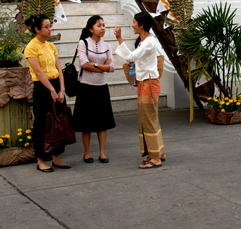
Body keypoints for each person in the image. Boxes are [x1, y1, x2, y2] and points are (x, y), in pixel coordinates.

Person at [113, 12, 166, 169]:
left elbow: (129, 56)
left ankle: (155, 158)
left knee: (148, 120)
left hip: (148, 84)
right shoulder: (144, 41)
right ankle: (158, 153)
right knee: (150, 119)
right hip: (146, 83)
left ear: (141, 25)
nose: (132, 25)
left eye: (134, 22)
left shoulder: (148, 42)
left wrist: (119, 38)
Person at [24, 14, 70, 172]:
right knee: (42, 124)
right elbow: (38, 72)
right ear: (37, 29)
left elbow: (59, 69)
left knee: (59, 121)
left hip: (56, 85)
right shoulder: (31, 47)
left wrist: (62, 89)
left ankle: (57, 157)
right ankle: (41, 159)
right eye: (46, 27)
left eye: (50, 26)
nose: (50, 29)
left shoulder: (51, 46)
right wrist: (51, 90)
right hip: (43, 88)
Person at [73, 15, 116, 164]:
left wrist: (96, 66)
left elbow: (112, 67)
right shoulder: (83, 43)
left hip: (101, 87)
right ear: (91, 29)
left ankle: (102, 153)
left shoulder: (107, 46)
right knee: (86, 123)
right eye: (99, 25)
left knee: (102, 122)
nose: (102, 28)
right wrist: (102, 66)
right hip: (85, 86)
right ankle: (87, 153)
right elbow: (84, 64)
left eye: (104, 25)